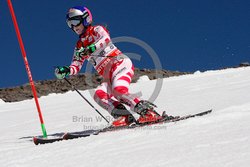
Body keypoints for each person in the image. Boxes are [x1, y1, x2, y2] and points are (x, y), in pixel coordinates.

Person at [55, 6, 162, 127]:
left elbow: (105, 39)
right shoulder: (79, 45)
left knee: (118, 91)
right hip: (107, 75)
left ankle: (148, 112)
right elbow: (76, 66)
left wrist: (91, 48)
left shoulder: (97, 30)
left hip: (119, 63)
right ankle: (124, 117)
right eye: (70, 24)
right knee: (99, 94)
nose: (74, 27)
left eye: (75, 21)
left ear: (86, 18)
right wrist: (67, 70)